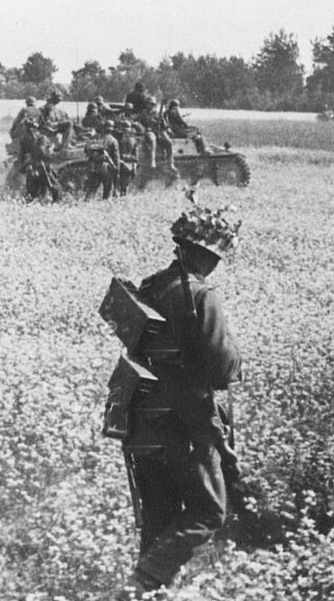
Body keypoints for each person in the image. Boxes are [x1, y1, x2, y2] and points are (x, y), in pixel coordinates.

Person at [120, 202, 242, 597]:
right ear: (206, 254)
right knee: (209, 510)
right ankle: (145, 581)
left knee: (159, 516)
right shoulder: (202, 296)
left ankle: (145, 592)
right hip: (185, 423)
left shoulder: (151, 285)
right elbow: (223, 370)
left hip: (142, 418)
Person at [85, 120, 121, 200]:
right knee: (108, 189)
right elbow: (116, 157)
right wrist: (117, 169)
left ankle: (87, 203)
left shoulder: (95, 138)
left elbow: (86, 149)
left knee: (92, 188)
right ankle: (105, 205)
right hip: (106, 167)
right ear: (112, 129)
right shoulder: (113, 140)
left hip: (94, 166)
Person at [115, 119, 140, 196]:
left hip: (120, 162)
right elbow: (136, 155)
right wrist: (135, 163)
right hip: (130, 163)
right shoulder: (134, 140)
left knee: (118, 181)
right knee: (126, 183)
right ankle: (124, 193)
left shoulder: (118, 140)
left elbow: (116, 152)